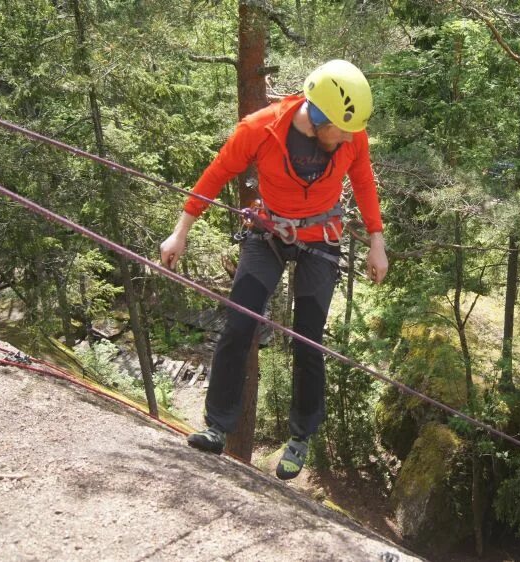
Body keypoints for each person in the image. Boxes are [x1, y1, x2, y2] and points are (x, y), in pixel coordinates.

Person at [160, 60, 388, 480]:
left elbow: (364, 182)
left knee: (307, 340)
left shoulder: (351, 137)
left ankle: (299, 439)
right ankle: (216, 427)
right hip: (269, 232)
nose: (347, 138)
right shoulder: (260, 128)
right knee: (239, 324)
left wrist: (377, 242)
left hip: (321, 237)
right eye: (340, 129)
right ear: (317, 114)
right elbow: (217, 172)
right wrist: (181, 232)